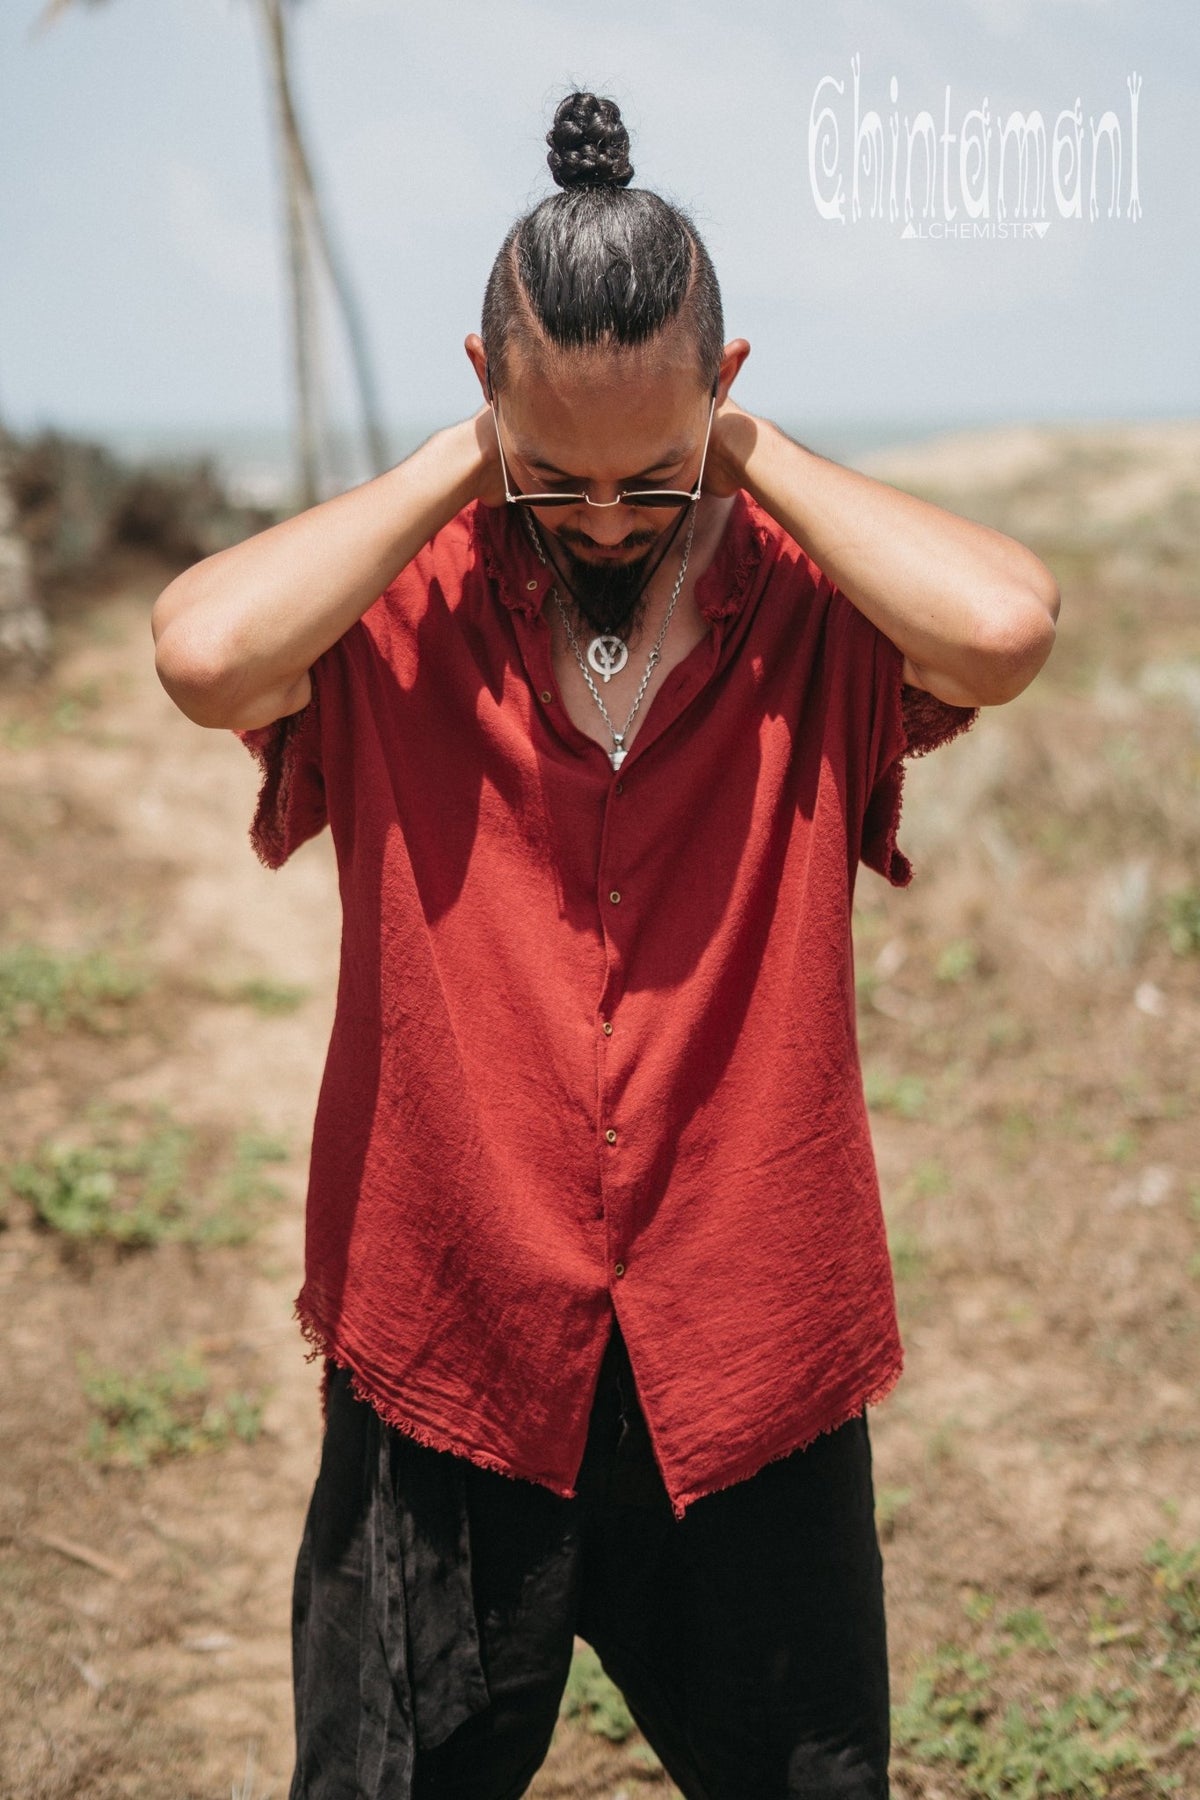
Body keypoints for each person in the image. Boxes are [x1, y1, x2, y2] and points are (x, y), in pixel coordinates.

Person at [152, 90, 1059, 1800]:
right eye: (554, 473)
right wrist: (460, 456)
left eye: (654, 472)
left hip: (746, 1342)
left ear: (723, 393)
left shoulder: (809, 609)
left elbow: (1005, 625)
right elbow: (202, 656)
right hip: (452, 1331)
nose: (608, 517)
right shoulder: (402, 620)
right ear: (486, 398)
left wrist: (745, 454)